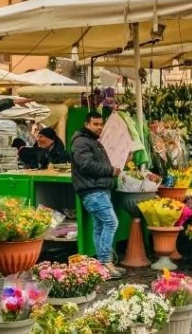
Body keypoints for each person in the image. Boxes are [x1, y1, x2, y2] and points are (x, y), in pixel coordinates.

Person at [71, 111, 123, 279]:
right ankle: (105, 262)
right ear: (87, 124)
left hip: (98, 189)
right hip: (92, 190)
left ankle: (102, 265)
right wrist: (111, 170)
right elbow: (86, 165)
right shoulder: (81, 142)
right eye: (96, 124)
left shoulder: (92, 141)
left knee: (100, 226)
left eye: (101, 124)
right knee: (111, 222)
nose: (99, 127)